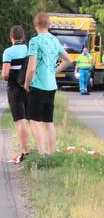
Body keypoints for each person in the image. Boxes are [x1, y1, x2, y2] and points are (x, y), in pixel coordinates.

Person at [24, 12, 73, 156]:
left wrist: (26, 83)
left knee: (35, 121)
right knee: (48, 122)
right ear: (49, 25)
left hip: (37, 85)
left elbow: (31, 68)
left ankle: (41, 153)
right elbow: (68, 60)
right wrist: (53, 71)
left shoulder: (35, 41)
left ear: (35, 25)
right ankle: (52, 153)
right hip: (51, 86)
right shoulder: (54, 40)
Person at [2, 26, 31, 162]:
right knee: (32, 120)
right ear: (23, 37)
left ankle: (25, 151)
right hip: (29, 87)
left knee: (20, 121)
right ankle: (39, 148)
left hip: (14, 88)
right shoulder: (29, 50)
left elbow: (5, 74)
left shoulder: (8, 52)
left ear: (11, 37)